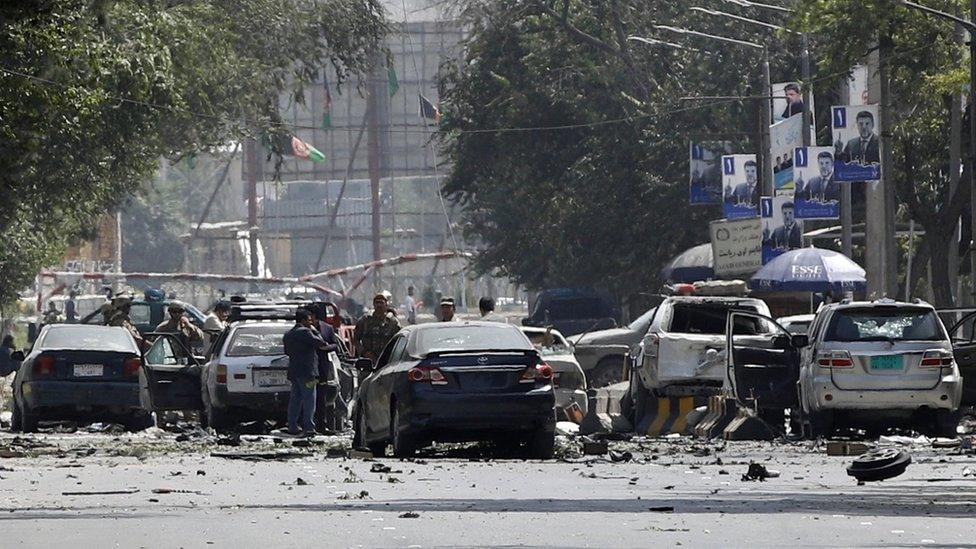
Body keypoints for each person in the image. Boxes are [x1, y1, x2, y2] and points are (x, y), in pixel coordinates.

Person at [282, 309, 329, 436]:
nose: (311, 322)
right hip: (308, 373)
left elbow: (287, 352)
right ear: (303, 320)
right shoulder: (306, 332)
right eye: (308, 320)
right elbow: (321, 342)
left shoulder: (288, 334)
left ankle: (292, 425)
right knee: (309, 399)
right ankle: (309, 427)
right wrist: (315, 330)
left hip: (294, 372)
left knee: (295, 399)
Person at [307, 303, 341, 434]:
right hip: (308, 370)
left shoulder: (326, 328)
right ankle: (307, 424)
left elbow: (335, 345)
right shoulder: (304, 329)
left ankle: (321, 425)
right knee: (307, 396)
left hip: (322, 370)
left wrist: (325, 348)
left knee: (321, 397)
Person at [354, 293, 401, 364]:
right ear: (373, 304)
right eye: (377, 302)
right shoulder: (365, 320)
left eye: (381, 303)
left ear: (386, 305)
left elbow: (399, 341)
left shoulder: (393, 322)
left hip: (387, 360)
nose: (379, 305)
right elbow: (355, 339)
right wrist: (363, 352)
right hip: (368, 361)